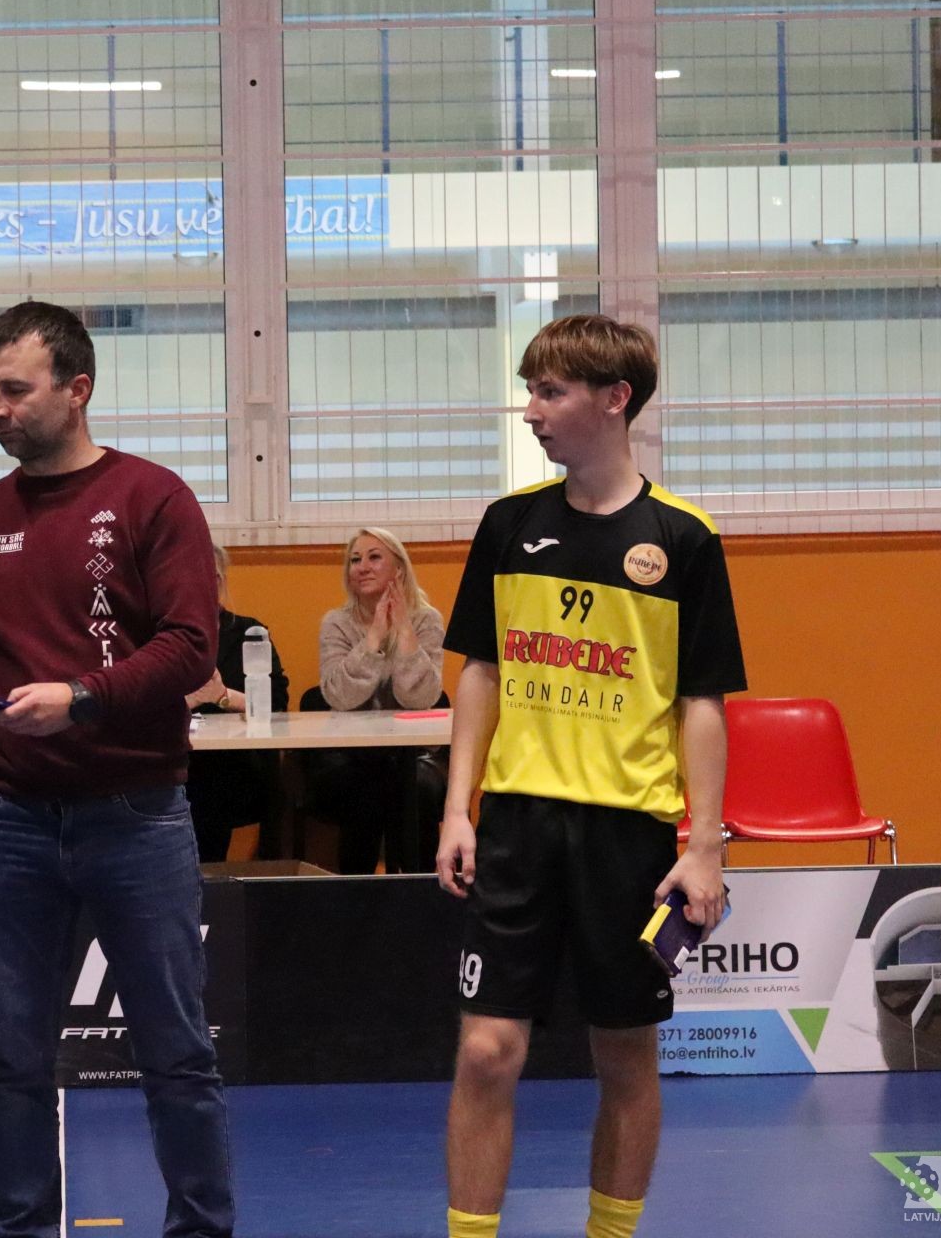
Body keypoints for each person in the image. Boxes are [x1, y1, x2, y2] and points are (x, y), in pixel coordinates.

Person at [0, 302, 234, 1238]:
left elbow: (191, 646)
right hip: (11, 819)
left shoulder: (154, 499)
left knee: (177, 1051)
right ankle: (20, 1228)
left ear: (77, 388)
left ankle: (201, 1228)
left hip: (137, 813)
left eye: (15, 390)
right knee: (12, 1056)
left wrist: (83, 696)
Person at [436, 314, 746, 1238]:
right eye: (531, 391)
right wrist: (458, 809)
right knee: (486, 1052)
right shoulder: (508, 525)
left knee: (625, 1058)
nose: (532, 411)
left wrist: (704, 846)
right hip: (517, 827)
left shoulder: (684, 539)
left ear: (615, 400)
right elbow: (482, 673)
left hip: (629, 835)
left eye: (551, 392)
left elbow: (701, 703)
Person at [304, 527, 449, 874]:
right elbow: (339, 696)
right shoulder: (337, 623)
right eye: (355, 560)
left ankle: (421, 888)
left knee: (412, 789)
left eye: (374, 557)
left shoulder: (426, 620)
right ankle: (359, 892)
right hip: (348, 754)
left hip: (413, 754)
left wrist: (404, 631)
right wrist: (373, 639)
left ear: (399, 569)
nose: (362, 567)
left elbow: (421, 698)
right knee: (365, 788)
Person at [183, 542, 290, 863]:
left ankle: (208, 879)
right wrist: (187, 700)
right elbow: (141, 702)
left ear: (221, 581)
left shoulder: (248, 632)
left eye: (212, 575)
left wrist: (222, 696)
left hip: (234, 763)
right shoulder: (159, 633)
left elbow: (276, 702)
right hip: (177, 759)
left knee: (215, 781)